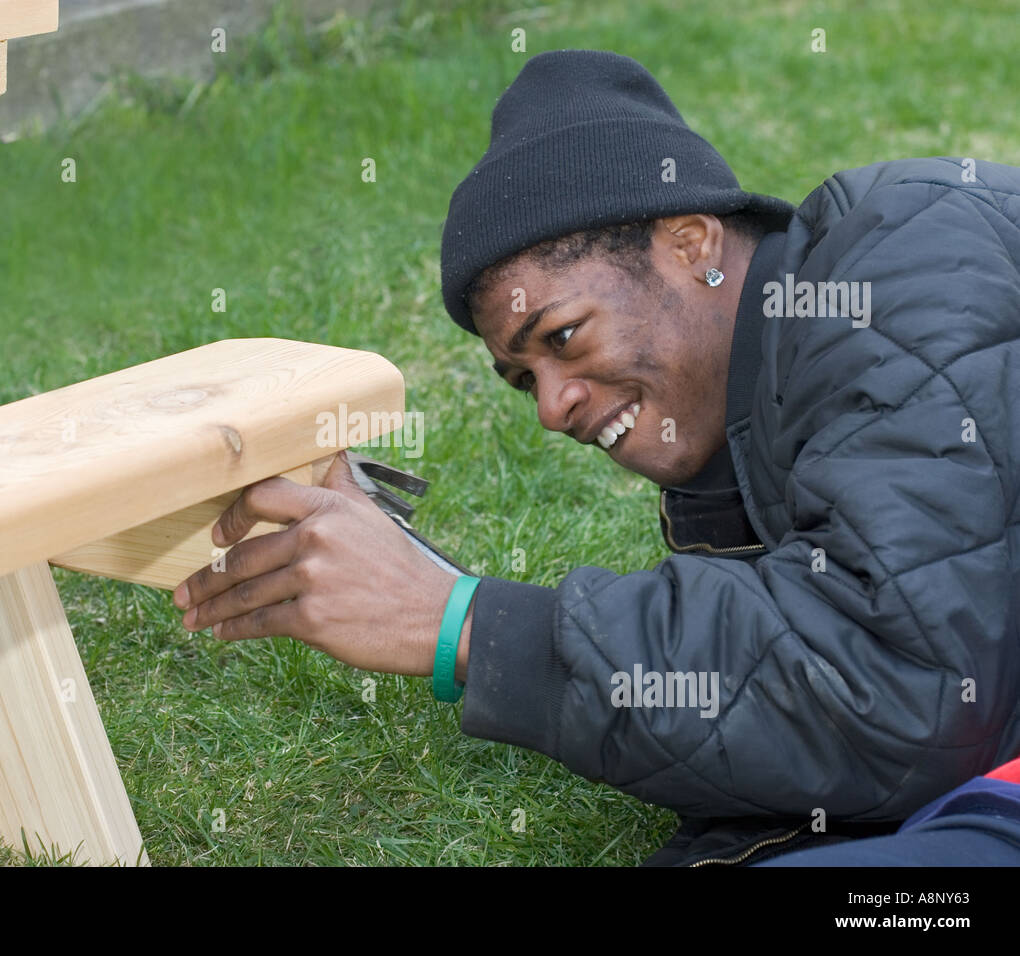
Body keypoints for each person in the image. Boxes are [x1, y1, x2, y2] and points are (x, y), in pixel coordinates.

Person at [171, 49, 1020, 865]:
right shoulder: (748, 443)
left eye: (563, 336)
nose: (550, 406)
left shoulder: (900, 262)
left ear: (690, 245)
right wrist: (419, 578)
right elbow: (821, 677)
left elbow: (910, 694)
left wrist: (462, 621)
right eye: (522, 378)